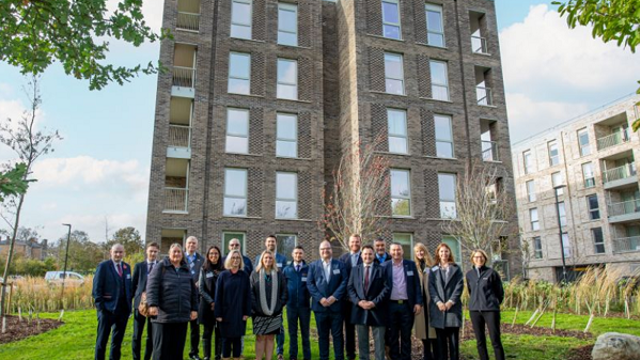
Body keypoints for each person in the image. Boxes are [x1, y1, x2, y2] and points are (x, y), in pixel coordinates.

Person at [146, 243, 199, 360]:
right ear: (169, 253)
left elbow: (193, 292)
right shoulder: (161, 267)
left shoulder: (186, 269)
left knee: (177, 350)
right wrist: (153, 304)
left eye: (179, 252)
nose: (176, 254)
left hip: (181, 316)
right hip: (163, 316)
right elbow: (151, 286)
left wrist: (194, 308)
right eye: (174, 251)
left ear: (182, 254)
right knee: (160, 351)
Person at [347, 245, 390, 360]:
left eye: (370, 254)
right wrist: (358, 302)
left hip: (377, 309)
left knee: (379, 342)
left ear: (373, 255)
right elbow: (350, 287)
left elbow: (386, 288)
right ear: (361, 255)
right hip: (360, 309)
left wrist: (374, 302)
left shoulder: (381, 269)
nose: (367, 256)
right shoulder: (355, 269)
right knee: (362, 342)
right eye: (365, 254)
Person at [307, 240, 348, 360]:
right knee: (322, 336)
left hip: (336, 307)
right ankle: (323, 357)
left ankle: (339, 357)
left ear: (331, 250)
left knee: (338, 335)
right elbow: (310, 284)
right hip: (320, 308)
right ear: (319, 251)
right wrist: (320, 298)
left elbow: (344, 281)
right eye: (323, 249)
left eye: (327, 248)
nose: (325, 251)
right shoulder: (313, 266)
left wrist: (334, 297)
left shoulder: (340, 265)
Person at [381, 243, 422, 360]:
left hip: (406, 306)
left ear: (402, 251)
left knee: (406, 335)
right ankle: (394, 357)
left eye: (398, 250)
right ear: (390, 252)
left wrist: (418, 302)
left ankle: (405, 357)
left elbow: (417, 285)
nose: (396, 252)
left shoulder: (410, 265)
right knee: (392, 335)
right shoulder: (384, 266)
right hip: (391, 306)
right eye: (393, 250)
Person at [93, 243, 133, 360]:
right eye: (116, 252)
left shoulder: (127, 267)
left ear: (124, 253)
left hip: (122, 311)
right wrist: (101, 308)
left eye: (120, 252)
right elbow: (96, 289)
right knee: (102, 341)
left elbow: (128, 288)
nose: (118, 254)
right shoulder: (103, 266)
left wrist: (128, 306)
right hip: (107, 310)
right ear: (111, 252)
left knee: (117, 341)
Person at [466, 249, 505, 360]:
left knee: (495, 340)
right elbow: (470, 291)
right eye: (476, 257)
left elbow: (499, 292)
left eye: (481, 257)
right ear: (473, 259)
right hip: (475, 311)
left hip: (490, 310)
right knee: (480, 340)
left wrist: (493, 303)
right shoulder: (469, 275)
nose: (479, 259)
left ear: (485, 258)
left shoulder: (492, 273)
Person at [254, 235, 287, 360]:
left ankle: (275, 354)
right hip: (259, 307)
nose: (268, 260)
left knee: (274, 333)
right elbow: (253, 287)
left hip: (275, 306)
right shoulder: (256, 266)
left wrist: (279, 304)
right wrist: (255, 305)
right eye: (268, 241)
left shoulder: (280, 266)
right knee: (261, 335)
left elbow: (284, 287)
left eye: (273, 241)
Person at [428, 243, 464, 360]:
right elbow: (431, 287)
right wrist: (438, 302)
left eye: (446, 251)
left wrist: (450, 302)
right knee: (440, 344)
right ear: (438, 253)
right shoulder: (433, 270)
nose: (444, 253)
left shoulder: (456, 268)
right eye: (441, 251)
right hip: (438, 310)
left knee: (453, 343)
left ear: (449, 253)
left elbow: (459, 286)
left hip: (452, 309)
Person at [215, 249, 252, 360]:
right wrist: (218, 314)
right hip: (225, 313)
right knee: (226, 339)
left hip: (239, 313)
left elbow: (248, 295)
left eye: (238, 258)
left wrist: (247, 312)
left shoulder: (244, 275)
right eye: (233, 258)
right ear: (229, 260)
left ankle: (237, 357)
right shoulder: (223, 275)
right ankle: (225, 357)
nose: (235, 260)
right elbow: (218, 295)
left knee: (237, 338)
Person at [282, 246, 312, 360]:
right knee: (292, 333)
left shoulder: (308, 269)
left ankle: (307, 356)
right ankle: (293, 356)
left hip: (304, 307)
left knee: (305, 334)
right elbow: (284, 287)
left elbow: (311, 286)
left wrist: (306, 298)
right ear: (292, 255)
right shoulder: (287, 270)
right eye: (296, 253)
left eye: (300, 253)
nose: (298, 255)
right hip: (291, 306)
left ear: (303, 255)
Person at [132, 242, 160, 360]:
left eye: (155, 251)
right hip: (140, 304)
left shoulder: (161, 266)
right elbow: (133, 285)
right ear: (147, 251)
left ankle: (147, 357)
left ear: (158, 252)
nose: (153, 253)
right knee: (137, 335)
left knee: (151, 335)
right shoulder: (139, 266)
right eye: (151, 251)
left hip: (154, 304)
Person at [338, 234, 362, 360]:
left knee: (362, 329)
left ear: (360, 242)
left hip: (361, 300)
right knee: (348, 329)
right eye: (352, 242)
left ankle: (364, 354)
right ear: (348, 243)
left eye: (357, 241)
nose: (354, 244)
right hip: (346, 301)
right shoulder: (343, 258)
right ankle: (350, 355)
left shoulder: (366, 257)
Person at [413, 242, 438, 360]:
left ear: (425, 251)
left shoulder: (433, 266)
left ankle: (435, 353)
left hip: (431, 301)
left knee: (433, 330)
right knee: (422, 330)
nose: (420, 253)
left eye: (421, 251)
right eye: (417, 251)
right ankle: (426, 353)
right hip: (420, 302)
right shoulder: (414, 267)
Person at [199, 246, 224, 360]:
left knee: (219, 332)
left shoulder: (224, 269)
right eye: (211, 254)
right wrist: (211, 302)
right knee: (207, 331)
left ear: (219, 255)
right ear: (208, 256)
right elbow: (201, 289)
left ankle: (218, 356)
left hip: (221, 305)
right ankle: (206, 356)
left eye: (216, 253)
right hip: (207, 305)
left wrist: (218, 303)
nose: (214, 256)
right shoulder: (203, 269)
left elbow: (225, 288)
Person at [185, 236, 205, 360]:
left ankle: (194, 353)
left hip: (196, 298)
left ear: (197, 245)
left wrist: (200, 282)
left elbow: (204, 275)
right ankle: (176, 351)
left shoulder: (201, 260)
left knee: (195, 328)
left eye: (194, 243)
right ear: (186, 244)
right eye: (189, 243)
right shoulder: (180, 257)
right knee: (179, 326)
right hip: (182, 297)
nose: (191, 245)